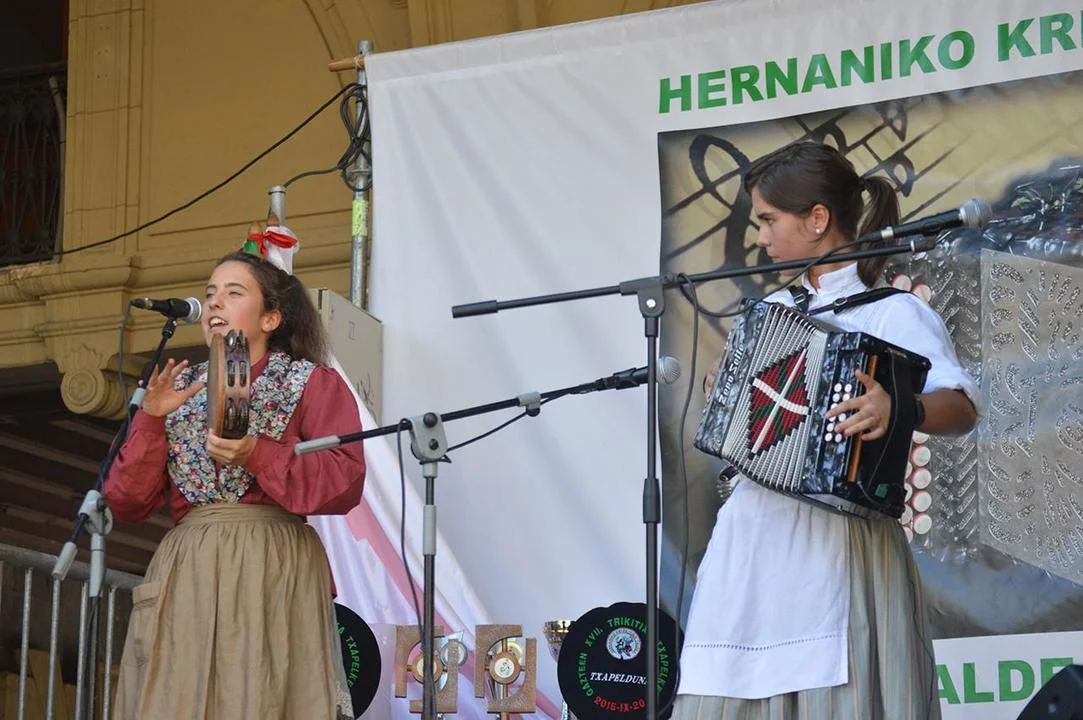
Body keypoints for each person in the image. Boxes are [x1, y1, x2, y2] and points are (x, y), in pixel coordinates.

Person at [672, 141, 978, 720]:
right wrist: (725, 384)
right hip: (752, 539)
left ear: (817, 219)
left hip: (838, 543)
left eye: (769, 220)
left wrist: (901, 407)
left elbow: (961, 408)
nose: (760, 236)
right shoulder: (770, 311)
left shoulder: (891, 312)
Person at [105, 241, 365, 720]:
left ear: (271, 318)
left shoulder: (310, 382)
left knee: (265, 694)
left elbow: (344, 479)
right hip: (190, 566)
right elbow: (126, 502)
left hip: (272, 561)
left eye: (233, 292)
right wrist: (150, 420)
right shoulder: (177, 389)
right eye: (210, 294)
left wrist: (257, 454)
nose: (215, 303)